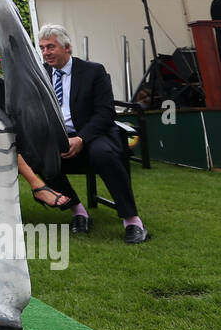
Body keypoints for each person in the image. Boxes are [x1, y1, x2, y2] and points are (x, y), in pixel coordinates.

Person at [38, 24, 150, 244]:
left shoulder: (93, 71)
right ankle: (77, 212)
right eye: (42, 48)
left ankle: (132, 221)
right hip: (57, 136)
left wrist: (81, 139)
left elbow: (105, 112)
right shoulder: (41, 74)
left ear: (67, 47)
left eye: (51, 47)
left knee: (104, 155)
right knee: (38, 156)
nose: (46, 52)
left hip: (91, 134)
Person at [0, 37, 72, 210]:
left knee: (33, 146)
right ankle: (38, 187)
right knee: (14, 144)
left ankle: (73, 205)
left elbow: (10, 116)